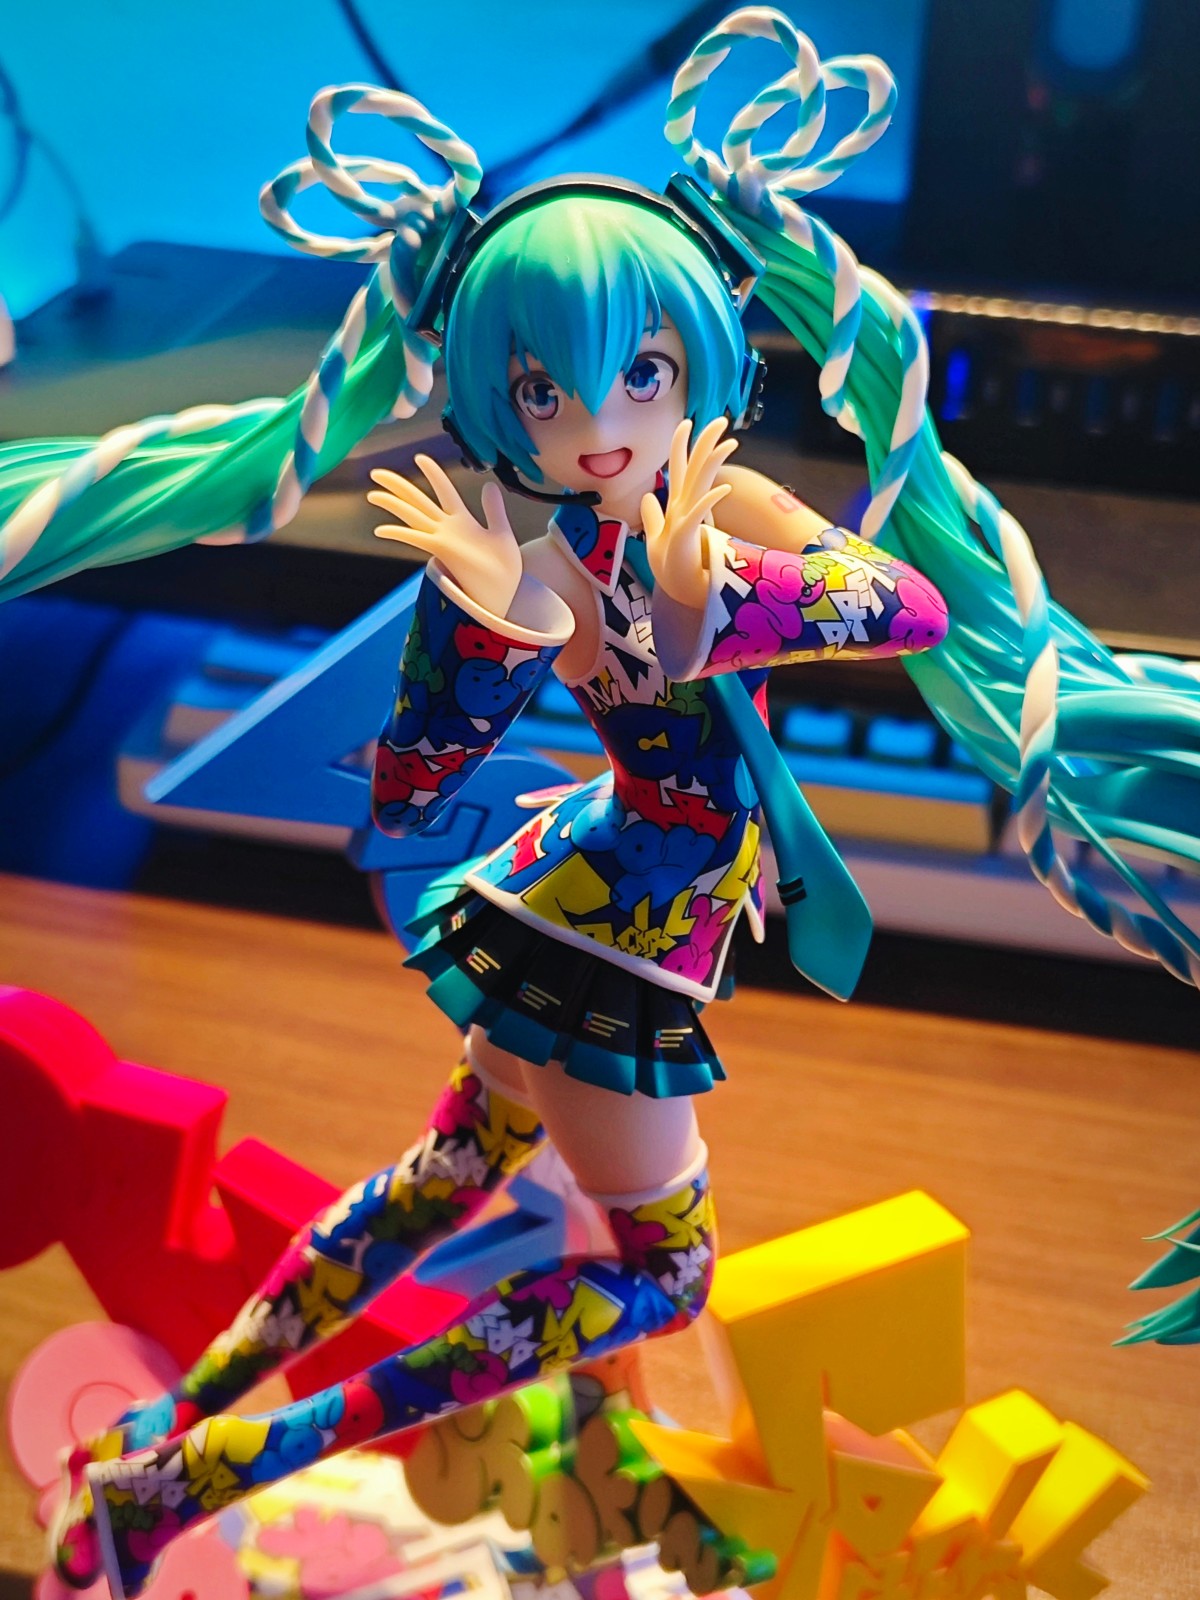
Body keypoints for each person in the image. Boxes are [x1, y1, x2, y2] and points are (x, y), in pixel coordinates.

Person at [9, 9, 1193, 1596]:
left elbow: (908, 607)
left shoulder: (722, 506)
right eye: (545, 394)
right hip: (613, 947)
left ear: (696, 356)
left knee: (452, 1172)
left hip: (590, 896)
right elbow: (416, 782)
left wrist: (727, 595)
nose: (598, 429)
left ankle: (171, 1442)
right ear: (500, 401)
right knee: (663, 1275)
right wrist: (493, 631)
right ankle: (198, 1470)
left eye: (639, 374)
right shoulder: (531, 558)